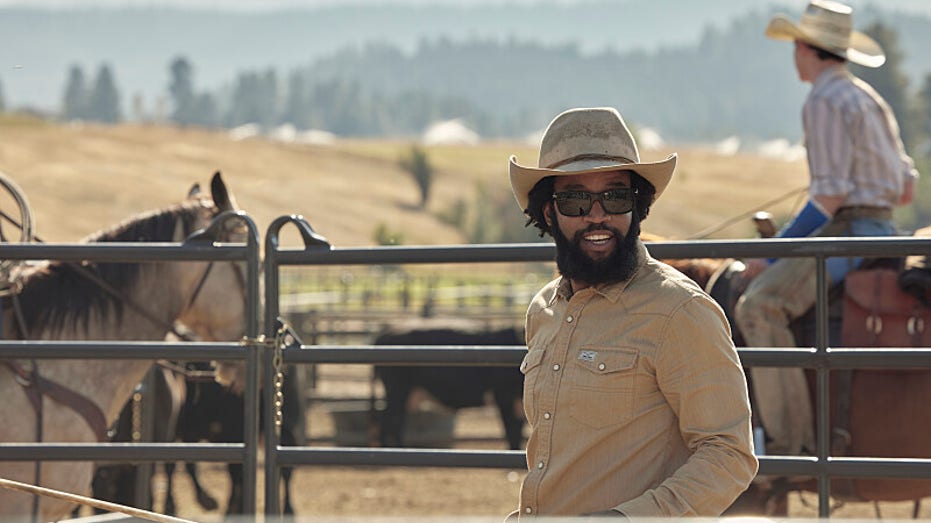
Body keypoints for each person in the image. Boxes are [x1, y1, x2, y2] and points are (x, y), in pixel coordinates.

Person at [506, 106, 758, 519]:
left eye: (616, 195)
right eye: (574, 200)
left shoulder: (681, 312)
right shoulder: (544, 310)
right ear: (548, 212)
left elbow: (729, 454)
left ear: (637, 206)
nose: (597, 213)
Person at [734, 0, 919, 456]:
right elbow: (907, 188)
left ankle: (792, 444)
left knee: (759, 306)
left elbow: (829, 198)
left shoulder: (821, 100)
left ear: (804, 48)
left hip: (849, 233)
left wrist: (773, 252)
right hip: (885, 233)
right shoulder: (868, 98)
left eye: (795, 47)